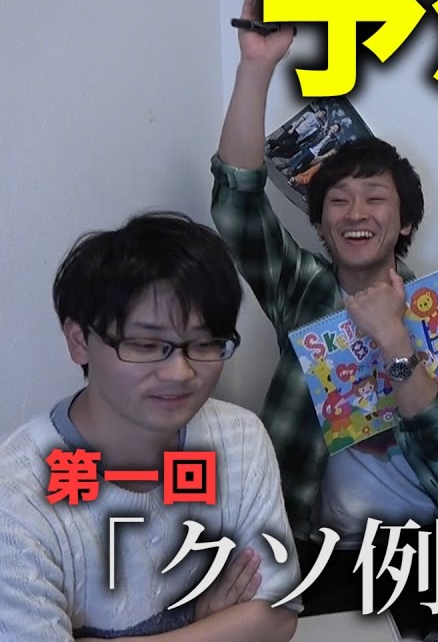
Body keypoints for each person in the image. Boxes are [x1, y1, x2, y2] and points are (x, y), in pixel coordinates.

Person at [209, 0, 438, 638]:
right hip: (316, 539)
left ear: (405, 220)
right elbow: (237, 203)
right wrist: (256, 66)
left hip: (425, 540)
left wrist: (394, 338)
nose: (356, 212)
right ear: (321, 223)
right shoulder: (303, 286)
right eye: (338, 201)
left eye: (375, 198)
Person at [0, 211, 300, 642]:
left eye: (205, 343)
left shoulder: (239, 438)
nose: (180, 372)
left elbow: (279, 615)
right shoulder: (16, 500)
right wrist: (208, 627)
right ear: (79, 341)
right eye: (146, 345)